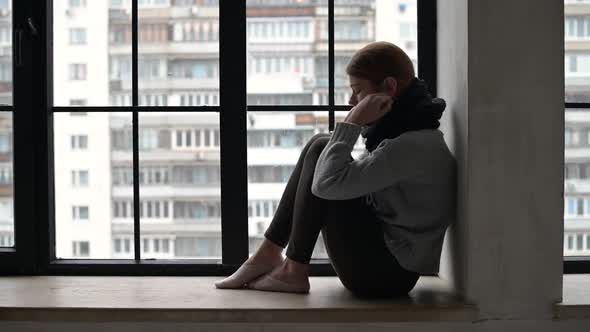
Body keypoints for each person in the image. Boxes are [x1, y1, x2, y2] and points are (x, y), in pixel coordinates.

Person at [215, 41, 456, 298]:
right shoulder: (408, 133)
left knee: (323, 150)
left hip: (386, 276)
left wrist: (351, 122)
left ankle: (293, 270)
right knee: (321, 143)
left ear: (389, 87)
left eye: (357, 91)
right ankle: (268, 254)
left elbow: (326, 185)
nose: (352, 101)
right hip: (388, 264)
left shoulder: (411, 145)